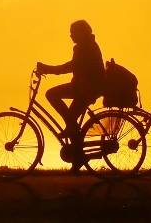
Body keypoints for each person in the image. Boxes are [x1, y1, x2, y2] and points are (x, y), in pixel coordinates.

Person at [36, 19, 105, 172]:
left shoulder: (85, 47)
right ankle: (78, 156)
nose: (71, 36)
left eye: (73, 32)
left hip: (87, 88)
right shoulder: (86, 45)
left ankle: (75, 142)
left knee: (51, 94)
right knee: (71, 119)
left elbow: (72, 66)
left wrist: (48, 69)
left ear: (82, 33)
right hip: (84, 87)